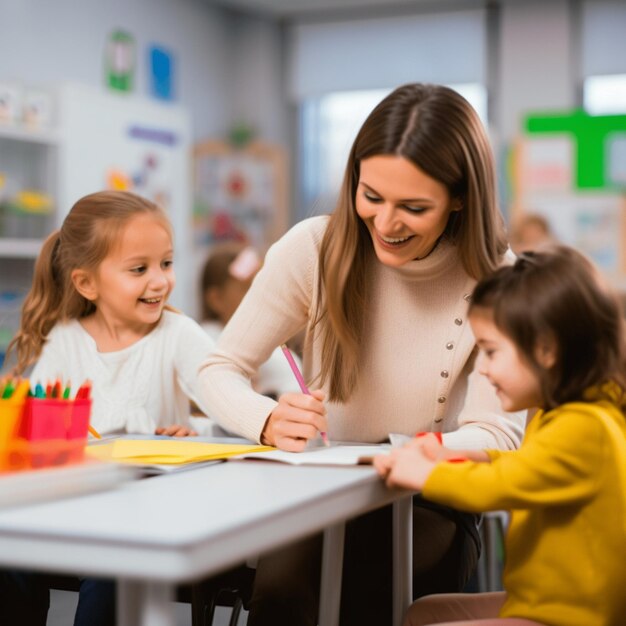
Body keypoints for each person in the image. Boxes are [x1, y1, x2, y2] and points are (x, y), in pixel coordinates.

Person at [197, 83, 526, 626]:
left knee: (368, 588)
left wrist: (402, 452)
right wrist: (266, 420)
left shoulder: (499, 278)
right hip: (321, 493)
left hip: (432, 498)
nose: (386, 224)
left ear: (461, 197)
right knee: (283, 596)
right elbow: (218, 369)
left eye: (414, 207)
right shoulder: (313, 248)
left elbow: (497, 435)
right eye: (371, 196)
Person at [375, 246, 626, 626]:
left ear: (545, 350)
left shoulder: (585, 426)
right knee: (421, 613)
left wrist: (425, 474)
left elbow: (503, 486)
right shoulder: (569, 415)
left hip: (574, 616)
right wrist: (456, 454)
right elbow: (530, 466)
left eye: (491, 353)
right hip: (547, 602)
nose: (485, 371)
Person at [0, 190, 216, 626]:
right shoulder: (64, 339)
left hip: (143, 513)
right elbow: (37, 430)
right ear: (86, 283)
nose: (160, 281)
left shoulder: (179, 334)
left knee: (114, 566)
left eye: (166, 264)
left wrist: (199, 427)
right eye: (139, 269)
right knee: (9, 554)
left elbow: (224, 400)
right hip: (71, 506)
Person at [200, 242, 302, 400]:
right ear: (217, 299)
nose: (262, 296)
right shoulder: (206, 342)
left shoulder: (276, 348)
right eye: (248, 289)